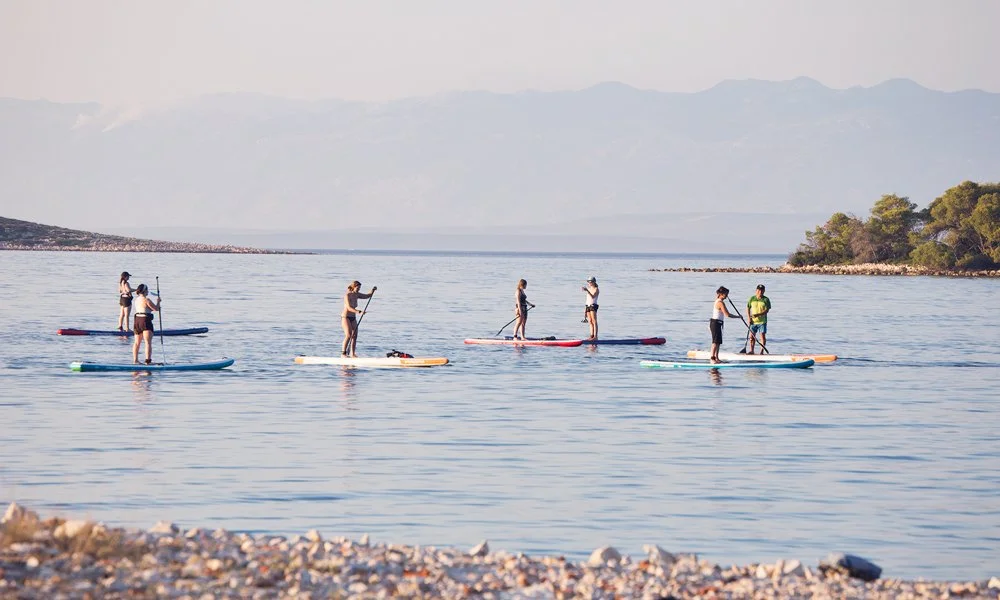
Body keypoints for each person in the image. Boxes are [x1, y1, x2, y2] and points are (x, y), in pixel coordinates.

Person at [342, 281, 376, 357]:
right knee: (348, 335)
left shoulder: (357, 294)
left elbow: (367, 296)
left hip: (353, 317)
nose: (359, 289)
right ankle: (343, 354)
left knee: (354, 336)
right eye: (357, 287)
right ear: (353, 287)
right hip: (346, 317)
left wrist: (372, 290)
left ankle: (352, 354)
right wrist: (359, 312)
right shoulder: (347, 295)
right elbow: (349, 308)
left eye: (360, 288)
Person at [709, 286, 740, 364]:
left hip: (718, 323)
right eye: (726, 294)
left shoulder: (718, 300)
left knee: (718, 342)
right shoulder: (720, 303)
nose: (727, 296)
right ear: (721, 294)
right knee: (715, 342)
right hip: (715, 323)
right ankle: (712, 358)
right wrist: (738, 316)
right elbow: (727, 314)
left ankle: (717, 358)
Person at [131, 284, 161, 365]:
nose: (148, 291)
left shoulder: (136, 300)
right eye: (147, 290)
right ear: (144, 291)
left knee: (137, 342)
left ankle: (135, 360)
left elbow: (145, 309)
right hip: (145, 321)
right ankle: (148, 361)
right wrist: (158, 302)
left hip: (137, 321)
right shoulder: (147, 300)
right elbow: (156, 308)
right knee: (148, 342)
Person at [747, 284, 771, 354]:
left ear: (764, 291)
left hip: (762, 321)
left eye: (762, 290)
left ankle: (761, 351)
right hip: (753, 322)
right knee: (751, 337)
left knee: (762, 337)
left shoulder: (766, 299)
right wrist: (749, 318)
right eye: (759, 290)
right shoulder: (752, 298)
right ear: (756, 290)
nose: (760, 292)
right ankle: (752, 350)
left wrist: (758, 314)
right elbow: (748, 308)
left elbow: (767, 311)